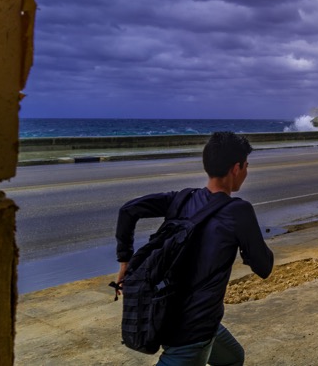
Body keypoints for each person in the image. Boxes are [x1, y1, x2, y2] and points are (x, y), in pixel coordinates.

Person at [115, 131, 274, 366]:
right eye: (246, 166)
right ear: (236, 168)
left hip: (164, 315)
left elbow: (128, 210)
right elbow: (264, 267)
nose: (246, 172)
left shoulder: (181, 199)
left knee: (232, 358)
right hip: (193, 332)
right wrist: (248, 246)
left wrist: (125, 262)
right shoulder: (238, 212)